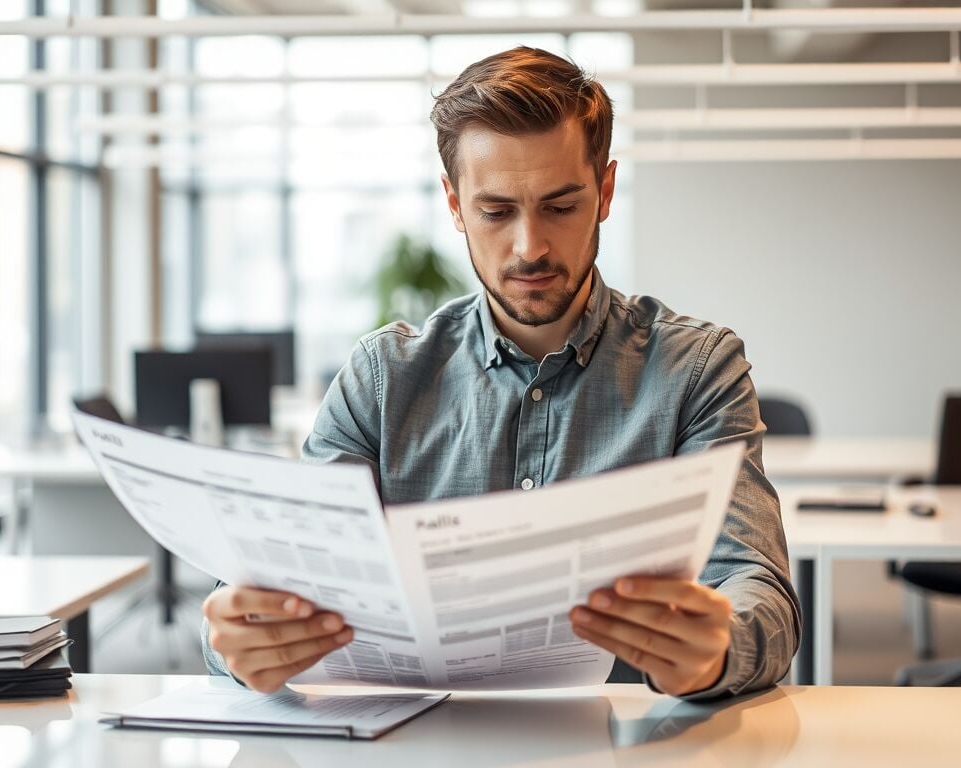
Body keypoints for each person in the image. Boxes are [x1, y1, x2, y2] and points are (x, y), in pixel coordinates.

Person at [202, 46, 800, 698]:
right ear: (455, 205)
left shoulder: (695, 370)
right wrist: (240, 640)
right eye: (496, 212)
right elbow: (284, 570)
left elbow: (756, 581)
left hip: (631, 745)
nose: (530, 247)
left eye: (561, 206)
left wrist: (720, 648)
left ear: (604, 192)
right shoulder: (382, 379)